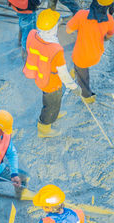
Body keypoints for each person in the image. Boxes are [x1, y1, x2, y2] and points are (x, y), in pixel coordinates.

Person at [23, 9, 79, 138]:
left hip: (41, 77)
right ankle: (44, 127)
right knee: (50, 104)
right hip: (51, 82)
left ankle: (55, 112)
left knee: (54, 100)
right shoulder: (55, 50)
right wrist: (73, 86)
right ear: (53, 28)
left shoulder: (32, 34)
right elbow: (63, 74)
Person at [66, 0, 114, 104]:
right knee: (81, 67)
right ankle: (75, 71)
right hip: (96, 54)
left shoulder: (81, 14)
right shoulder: (109, 19)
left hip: (80, 56)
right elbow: (109, 35)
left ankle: (87, 96)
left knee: (83, 77)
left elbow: (68, 30)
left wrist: (79, 24)